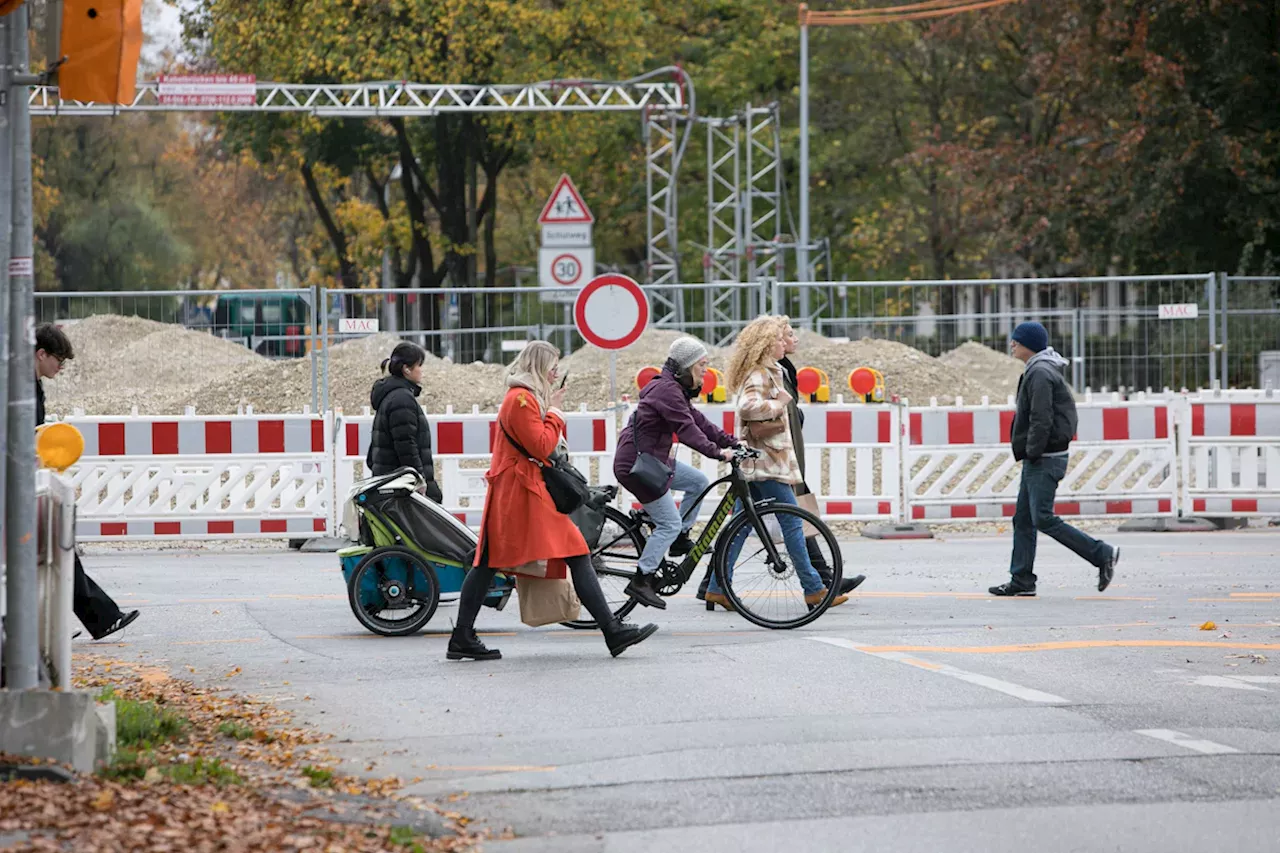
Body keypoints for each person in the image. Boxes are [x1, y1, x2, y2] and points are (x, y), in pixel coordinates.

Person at [447, 341, 658, 661]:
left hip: (521, 494)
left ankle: (462, 635)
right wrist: (557, 412)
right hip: (521, 495)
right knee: (533, 556)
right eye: (553, 366)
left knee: (494, 561)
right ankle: (612, 631)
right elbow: (542, 445)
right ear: (539, 365)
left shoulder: (524, 397)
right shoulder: (520, 400)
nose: (556, 372)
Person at [705, 317, 847, 611]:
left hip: (761, 463)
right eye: (779, 339)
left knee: (740, 526)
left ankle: (717, 587)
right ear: (767, 345)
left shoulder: (768, 371)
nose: (785, 342)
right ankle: (814, 588)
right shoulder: (760, 374)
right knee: (793, 523)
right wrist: (780, 404)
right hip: (767, 463)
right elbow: (748, 407)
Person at [990, 322, 1121, 597]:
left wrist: (1033, 452)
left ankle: (1101, 553)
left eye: (1017, 340)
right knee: (1023, 520)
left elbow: (1041, 418)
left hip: (1045, 458)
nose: (1012, 344)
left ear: (1029, 344)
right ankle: (1022, 580)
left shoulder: (1039, 372)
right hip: (1040, 457)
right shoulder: (1039, 369)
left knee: (1043, 518)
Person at [614, 337, 739, 610]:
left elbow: (699, 422)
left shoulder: (674, 389)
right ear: (685, 367)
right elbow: (687, 430)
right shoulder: (667, 391)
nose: (706, 371)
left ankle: (680, 538)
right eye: (702, 365)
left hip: (653, 461)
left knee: (698, 482)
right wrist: (717, 453)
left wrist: (732, 442)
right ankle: (642, 579)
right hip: (638, 466)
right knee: (667, 523)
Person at [35, 324, 139, 640]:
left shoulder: (32, 384)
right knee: (50, 551)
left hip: (31, 478)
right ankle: (75, 623)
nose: (61, 367)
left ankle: (59, 626)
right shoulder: (20, 388)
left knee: (53, 551)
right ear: (41, 354)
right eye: (58, 360)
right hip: (18, 481)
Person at [774, 319, 865, 595]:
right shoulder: (772, 372)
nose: (795, 339)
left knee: (752, 521)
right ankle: (823, 581)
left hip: (783, 456)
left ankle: (713, 584)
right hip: (775, 458)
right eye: (788, 335)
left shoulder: (784, 369)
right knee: (794, 517)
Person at [367, 342, 443, 503]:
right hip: (402, 490)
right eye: (418, 365)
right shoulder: (402, 399)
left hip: (392, 484)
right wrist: (419, 481)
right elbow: (406, 445)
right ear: (406, 369)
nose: (421, 370)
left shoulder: (391, 396)